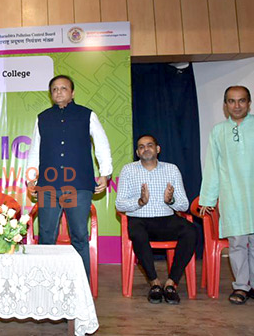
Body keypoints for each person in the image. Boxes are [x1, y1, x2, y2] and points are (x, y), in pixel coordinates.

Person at [26, 75, 112, 278]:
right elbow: (35, 150)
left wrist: (105, 173)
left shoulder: (87, 115)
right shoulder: (43, 118)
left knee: (80, 237)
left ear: (72, 93)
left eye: (63, 88)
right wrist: (31, 177)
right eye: (54, 89)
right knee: (46, 236)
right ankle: (45, 284)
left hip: (78, 185)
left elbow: (101, 143)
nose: (58, 92)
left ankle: (81, 289)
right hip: (48, 186)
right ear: (50, 94)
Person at [116, 135, 197, 304]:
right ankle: (154, 283)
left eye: (149, 145)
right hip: (139, 219)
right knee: (137, 232)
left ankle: (171, 283)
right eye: (141, 147)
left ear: (157, 149)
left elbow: (184, 205)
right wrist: (140, 201)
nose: (146, 149)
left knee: (191, 230)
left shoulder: (171, 169)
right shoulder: (128, 170)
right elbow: (120, 204)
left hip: (166, 219)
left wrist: (171, 200)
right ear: (138, 152)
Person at [200, 85, 254, 305]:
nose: (237, 105)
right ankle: (242, 286)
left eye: (241, 101)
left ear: (249, 103)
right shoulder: (218, 131)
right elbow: (213, 167)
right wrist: (207, 199)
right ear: (225, 105)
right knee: (238, 242)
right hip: (232, 196)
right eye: (231, 101)